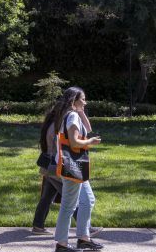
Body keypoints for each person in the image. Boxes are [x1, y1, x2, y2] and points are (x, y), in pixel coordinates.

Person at [31, 99, 103, 237]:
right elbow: (80, 137)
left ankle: (38, 226)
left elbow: (87, 129)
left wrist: (80, 110)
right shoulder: (60, 125)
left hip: (48, 166)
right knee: (72, 199)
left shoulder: (51, 124)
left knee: (46, 197)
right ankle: (86, 229)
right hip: (57, 166)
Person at [51, 87, 102, 252]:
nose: (85, 102)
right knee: (68, 206)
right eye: (83, 100)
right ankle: (62, 244)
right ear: (74, 101)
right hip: (72, 166)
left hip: (77, 167)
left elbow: (88, 127)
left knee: (88, 199)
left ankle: (83, 239)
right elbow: (73, 143)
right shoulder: (71, 116)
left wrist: (81, 110)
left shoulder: (73, 114)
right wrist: (90, 142)